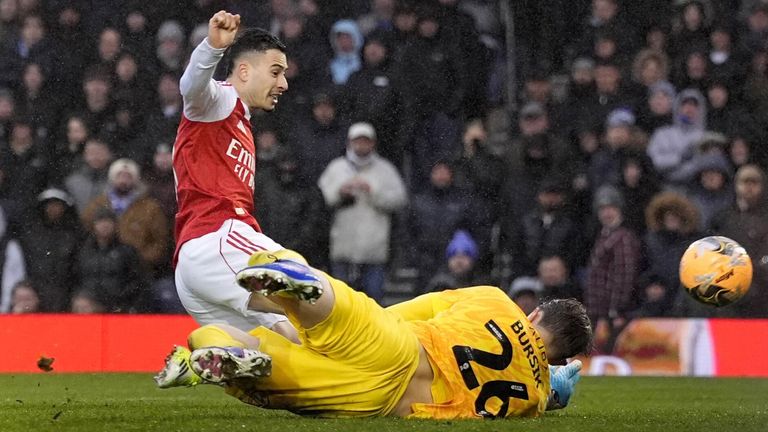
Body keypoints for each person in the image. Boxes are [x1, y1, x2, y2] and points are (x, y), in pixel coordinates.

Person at [156, 250, 591, 419]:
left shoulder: (495, 300)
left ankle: (295, 282)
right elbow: (546, 389)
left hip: (402, 350)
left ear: (533, 312)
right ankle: (221, 364)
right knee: (276, 384)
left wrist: (359, 329)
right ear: (556, 361)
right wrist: (553, 386)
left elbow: (415, 309)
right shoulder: (533, 398)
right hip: (384, 403)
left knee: (335, 309)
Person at [172, 11, 296, 338]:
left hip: (195, 260)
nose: (283, 83)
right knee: (310, 299)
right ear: (244, 71)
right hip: (218, 238)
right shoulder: (220, 100)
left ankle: (198, 359)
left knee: (275, 348)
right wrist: (212, 47)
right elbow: (191, 87)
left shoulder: (239, 122)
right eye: (275, 72)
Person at [318, 122, 407, 303]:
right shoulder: (337, 167)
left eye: (365, 141)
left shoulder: (385, 169)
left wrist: (372, 191)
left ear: (373, 143)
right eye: (357, 141)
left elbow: (399, 199)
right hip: (342, 247)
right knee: (341, 302)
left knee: (373, 301)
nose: (361, 145)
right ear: (350, 143)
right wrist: (340, 191)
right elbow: (320, 198)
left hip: (373, 251)